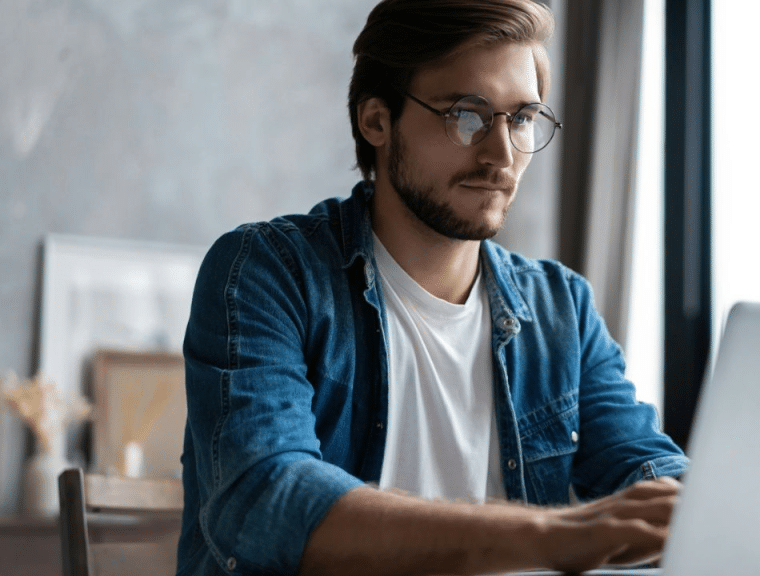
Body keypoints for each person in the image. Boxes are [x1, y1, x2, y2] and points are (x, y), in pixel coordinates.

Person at [176, 1, 688, 574]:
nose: (501, 157)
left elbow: (643, 468)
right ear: (377, 121)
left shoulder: (560, 308)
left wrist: (716, 509)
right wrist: (548, 534)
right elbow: (265, 498)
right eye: (466, 114)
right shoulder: (268, 273)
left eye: (520, 119)